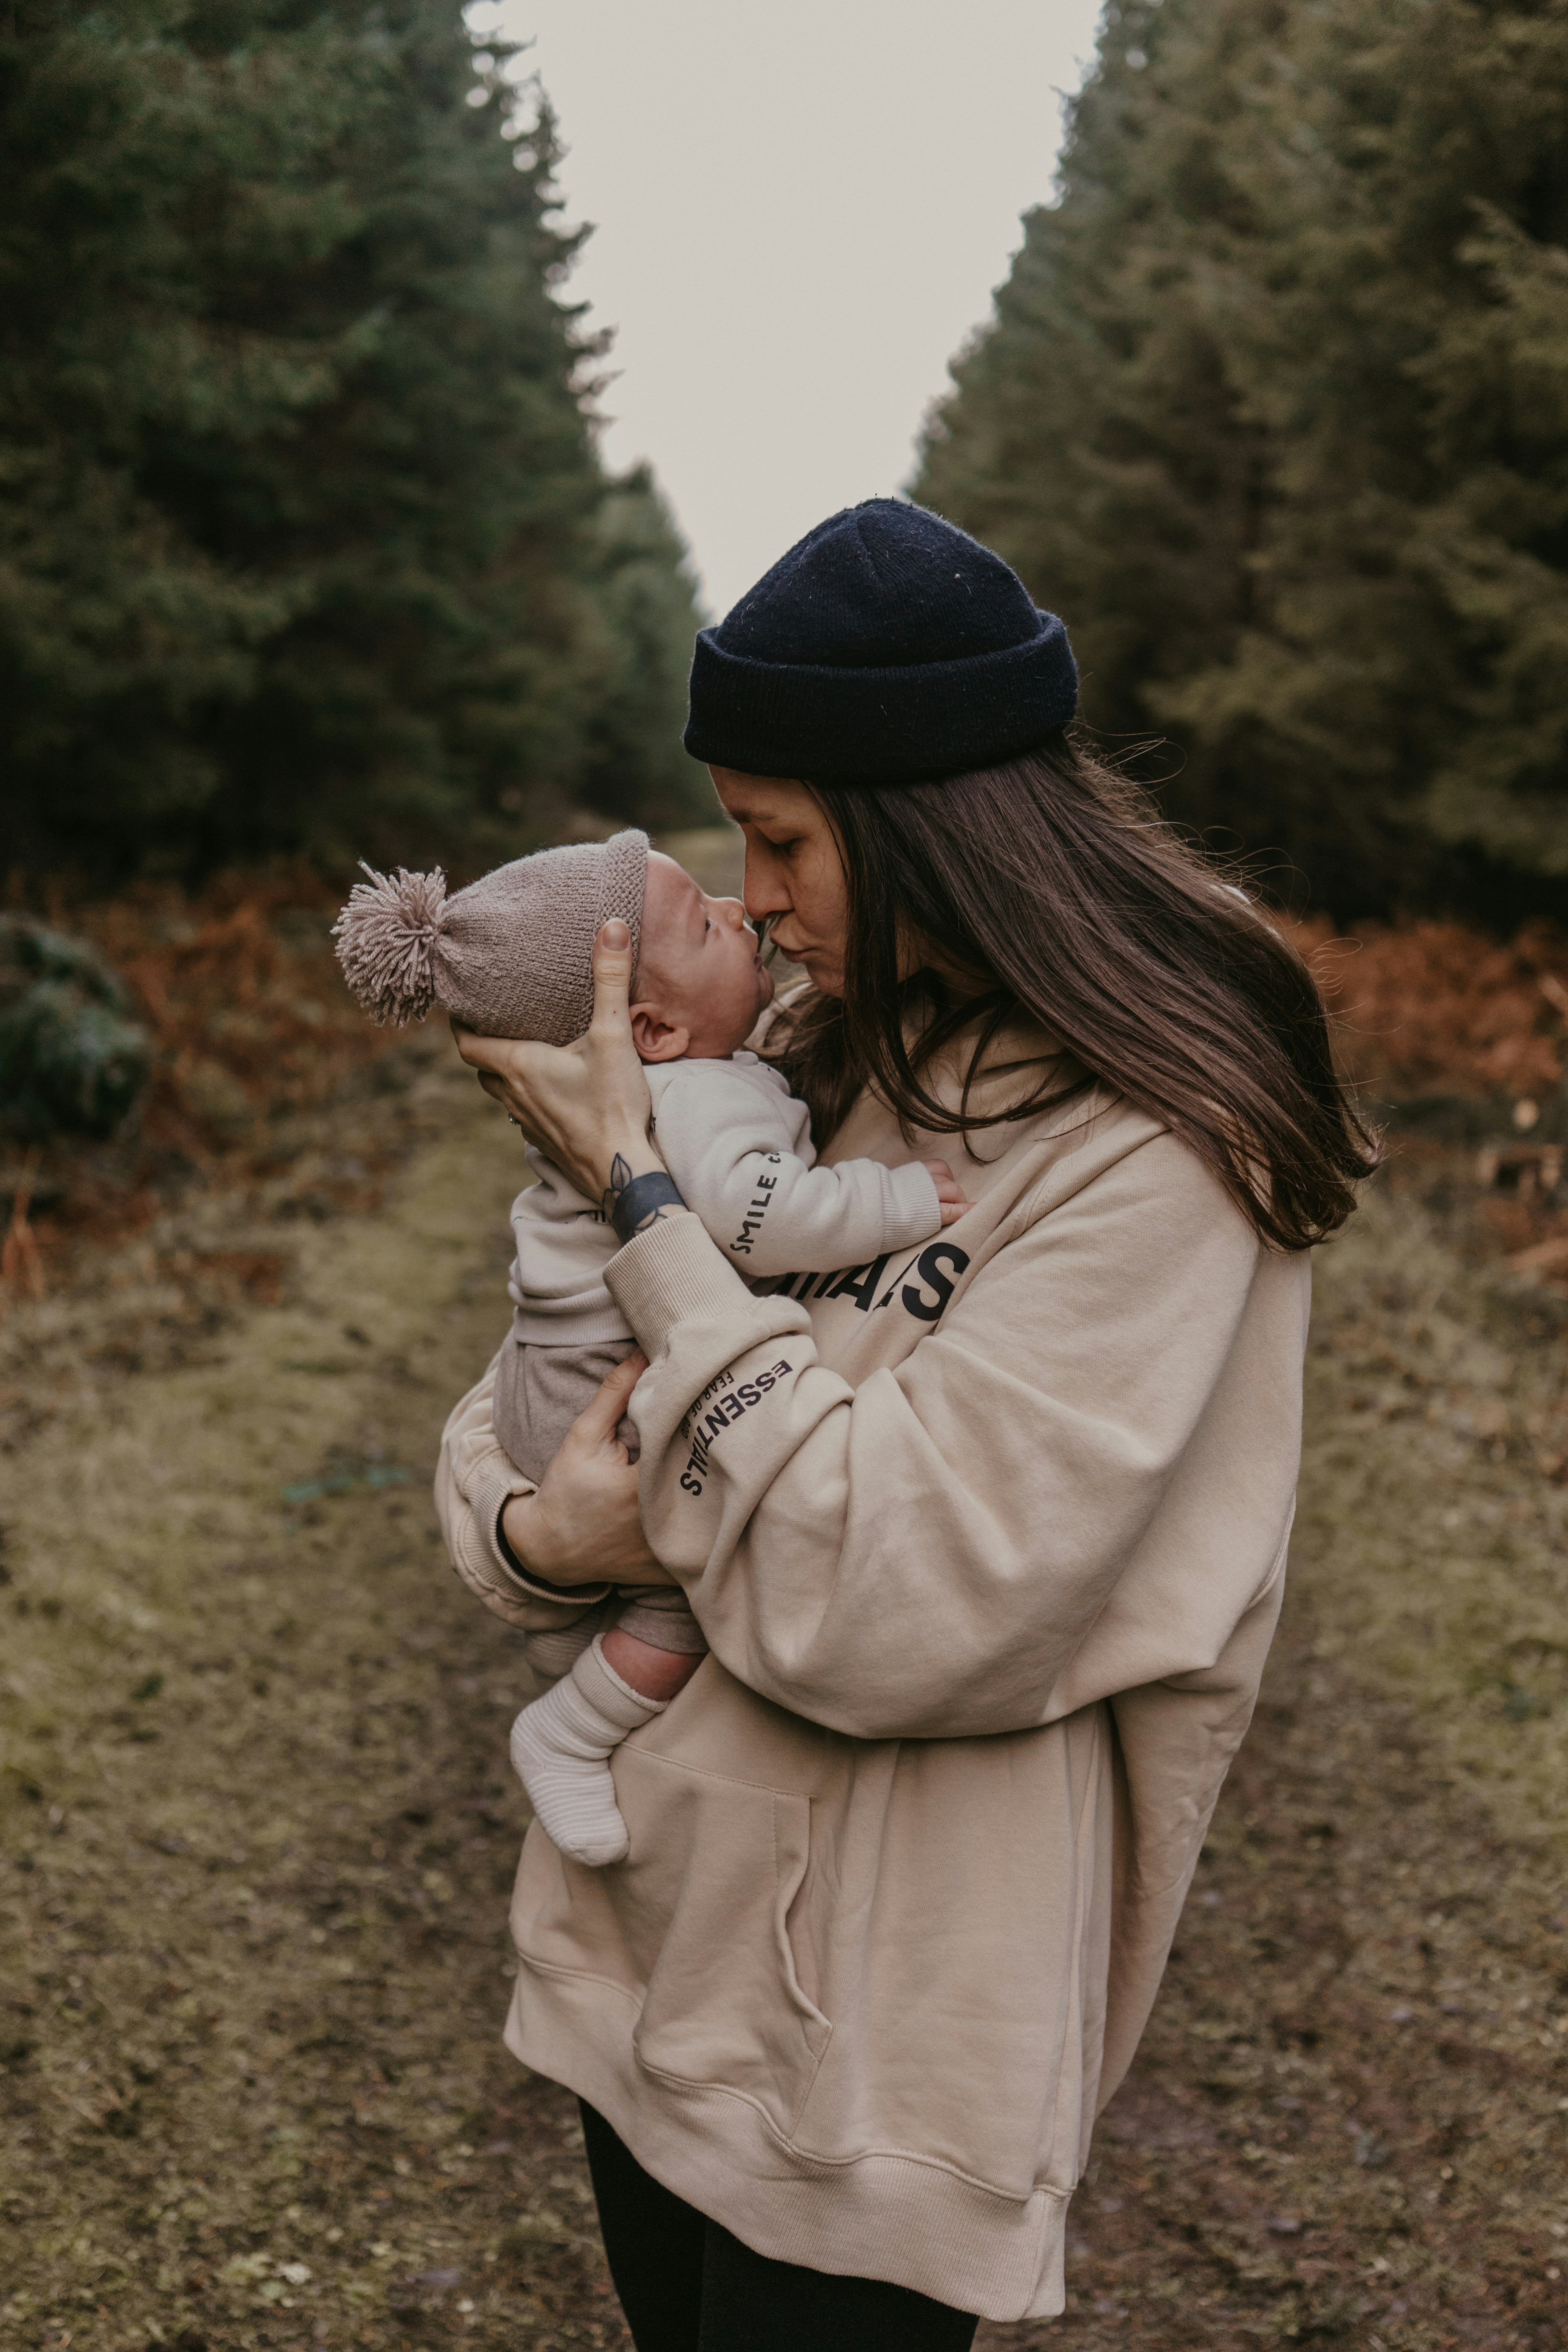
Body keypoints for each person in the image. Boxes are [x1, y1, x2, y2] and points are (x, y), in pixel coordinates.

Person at [433, 500, 1375, 2348]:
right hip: (652, 1956)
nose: (751, 891)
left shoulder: (1156, 1146)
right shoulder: (806, 1051)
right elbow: (523, 1427)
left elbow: (909, 1590)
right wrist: (547, 1539)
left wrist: (640, 1203)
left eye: (780, 837)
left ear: (925, 819)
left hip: (885, 2052)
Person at [334, 833, 964, 1867]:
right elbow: (760, 1215)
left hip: (550, 1373)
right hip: (597, 1380)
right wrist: (890, 1199)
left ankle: (578, 1666)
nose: (739, 900)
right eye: (709, 922)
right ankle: (571, 1732)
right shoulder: (696, 1094)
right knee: (676, 1595)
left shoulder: (688, 1079)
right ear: (653, 1027)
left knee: (642, 1581)